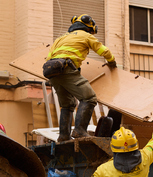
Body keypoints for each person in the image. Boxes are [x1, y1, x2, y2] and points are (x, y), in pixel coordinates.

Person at [44, 14, 117, 142]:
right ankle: (79, 130)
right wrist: (112, 63)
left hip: (52, 72)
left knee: (67, 105)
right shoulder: (86, 36)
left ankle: (64, 136)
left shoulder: (60, 38)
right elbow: (104, 51)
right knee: (89, 98)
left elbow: (49, 57)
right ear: (89, 28)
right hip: (67, 69)